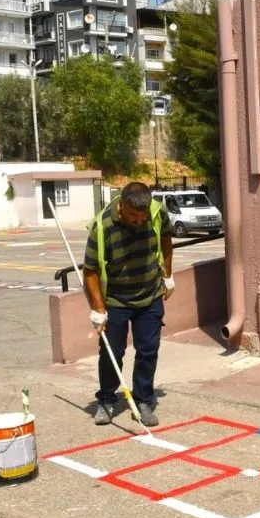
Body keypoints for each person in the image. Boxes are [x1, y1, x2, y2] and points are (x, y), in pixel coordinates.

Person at [82, 181, 175, 428]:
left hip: (150, 295)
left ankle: (143, 398)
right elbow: (90, 270)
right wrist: (98, 309)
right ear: (121, 206)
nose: (138, 220)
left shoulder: (157, 213)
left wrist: (168, 274)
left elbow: (166, 240)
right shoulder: (102, 227)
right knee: (113, 352)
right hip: (115, 300)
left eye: (142, 215)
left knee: (148, 350)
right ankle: (106, 399)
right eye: (133, 215)